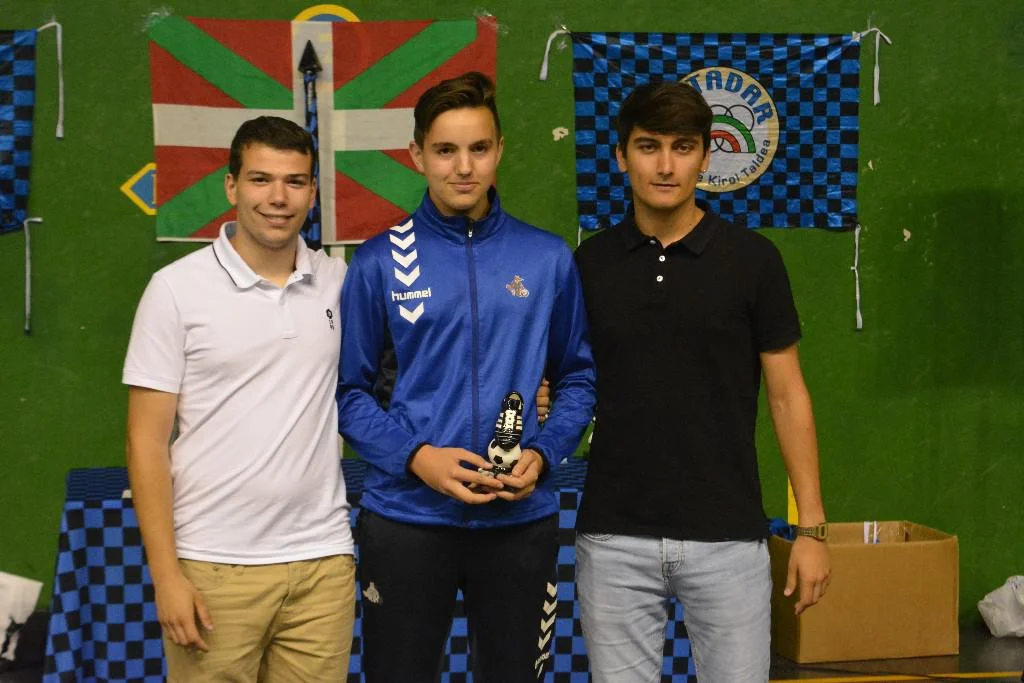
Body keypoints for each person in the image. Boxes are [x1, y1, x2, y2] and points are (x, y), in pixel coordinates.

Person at [337, 71, 596, 682]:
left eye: (478, 148)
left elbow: (578, 379)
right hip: (405, 519)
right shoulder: (378, 261)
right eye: (445, 150)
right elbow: (348, 396)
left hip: (519, 523)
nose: (463, 167)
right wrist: (417, 458)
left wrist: (544, 454)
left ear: (499, 149)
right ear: (417, 154)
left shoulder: (547, 258)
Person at [572, 80, 831, 683]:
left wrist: (812, 530)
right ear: (621, 156)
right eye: (648, 146)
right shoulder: (587, 266)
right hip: (614, 540)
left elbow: (788, 397)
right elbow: (564, 386)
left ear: (706, 157)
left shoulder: (754, 261)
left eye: (682, 147)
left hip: (729, 540)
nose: (665, 165)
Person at [123, 116, 355, 681]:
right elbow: (145, 441)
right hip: (212, 567)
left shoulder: (341, 282)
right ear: (231, 186)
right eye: (260, 179)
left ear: (313, 192)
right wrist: (167, 577)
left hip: (323, 564)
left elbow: (417, 368)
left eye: (294, 182)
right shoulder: (175, 290)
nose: (278, 198)